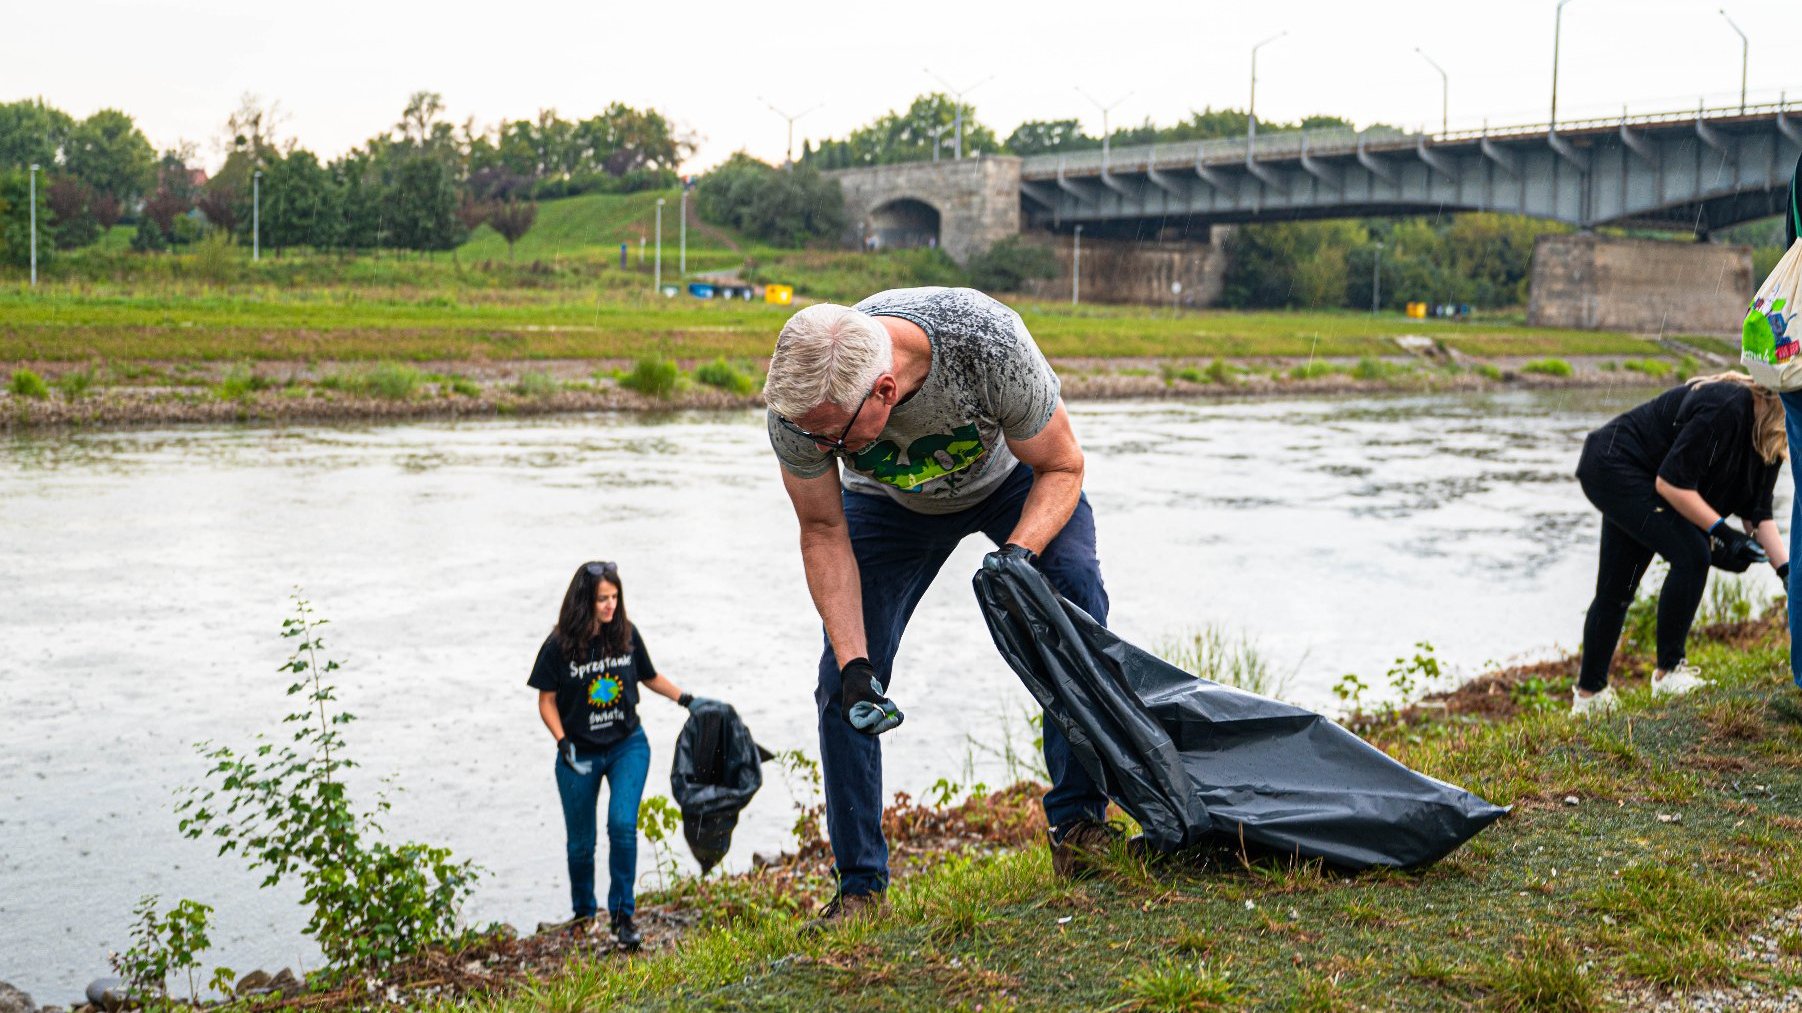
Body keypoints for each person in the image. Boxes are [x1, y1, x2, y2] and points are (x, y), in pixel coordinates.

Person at [763, 288, 1117, 924]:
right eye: (807, 435)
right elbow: (822, 531)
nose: (816, 449)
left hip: (1012, 483)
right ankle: (861, 891)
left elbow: (1063, 466)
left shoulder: (986, 343)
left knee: (1076, 608)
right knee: (841, 681)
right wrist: (853, 665)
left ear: (885, 393)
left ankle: (1081, 830)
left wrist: (1018, 557)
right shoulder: (800, 412)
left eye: (829, 439)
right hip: (891, 507)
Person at [1572, 373, 1789, 716]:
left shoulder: (1772, 436)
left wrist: (1787, 572)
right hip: (1614, 466)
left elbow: (1759, 515)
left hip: (1646, 479)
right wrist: (1721, 532)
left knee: (1619, 588)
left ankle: (1589, 697)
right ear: (1782, 393)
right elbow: (1671, 483)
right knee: (1692, 554)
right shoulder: (1727, 407)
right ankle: (1669, 672)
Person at [527, 560, 700, 948]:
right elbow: (547, 700)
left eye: (614, 597)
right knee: (580, 843)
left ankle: (623, 917)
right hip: (578, 754)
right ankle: (583, 913)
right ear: (583, 600)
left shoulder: (625, 634)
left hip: (627, 745)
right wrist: (561, 740)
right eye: (602, 599)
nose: (610, 605)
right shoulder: (558, 646)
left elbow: (649, 677)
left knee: (622, 825)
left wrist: (688, 700)